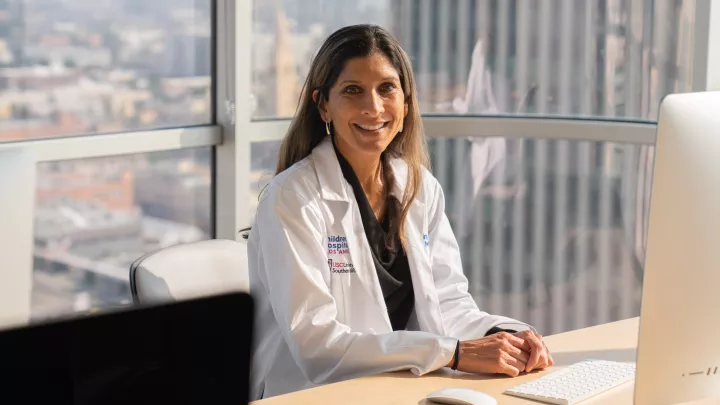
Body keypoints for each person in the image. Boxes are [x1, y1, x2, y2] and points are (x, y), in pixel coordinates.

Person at [247, 24, 553, 400]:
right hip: (311, 394)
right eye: (352, 90)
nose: (373, 107)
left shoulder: (419, 187)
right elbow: (316, 344)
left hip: (399, 388)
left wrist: (503, 337)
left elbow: (449, 304)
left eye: (386, 88)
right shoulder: (291, 198)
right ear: (323, 104)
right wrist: (452, 353)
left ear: (406, 103)